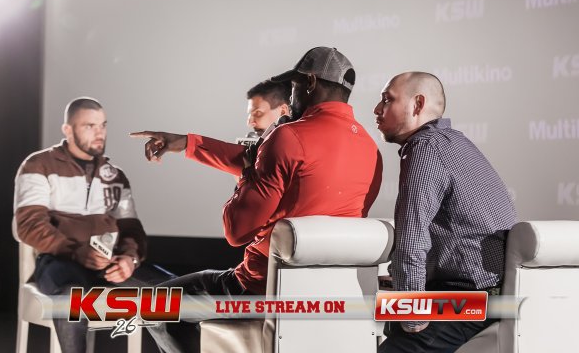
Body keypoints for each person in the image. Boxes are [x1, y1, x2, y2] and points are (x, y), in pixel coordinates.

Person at [131, 46, 383, 352]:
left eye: (294, 86)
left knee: (156, 305)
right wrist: (188, 143)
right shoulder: (370, 150)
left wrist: (246, 177)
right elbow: (276, 165)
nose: (291, 95)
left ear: (310, 83)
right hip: (327, 292)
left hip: (259, 289)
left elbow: (237, 231)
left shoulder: (288, 136)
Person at [373, 72, 517, 353]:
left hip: (470, 300)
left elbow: (412, 239)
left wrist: (412, 313)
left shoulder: (425, 148)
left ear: (417, 104)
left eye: (387, 100)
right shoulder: (454, 142)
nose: (377, 109)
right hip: (490, 293)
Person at [13, 97, 170, 353]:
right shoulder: (38, 165)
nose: (99, 133)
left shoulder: (115, 175)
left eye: (103, 125)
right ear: (68, 130)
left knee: (175, 293)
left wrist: (129, 258)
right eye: (89, 126)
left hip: (109, 263)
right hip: (59, 261)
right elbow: (29, 224)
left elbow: (132, 229)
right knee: (71, 300)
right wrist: (76, 252)